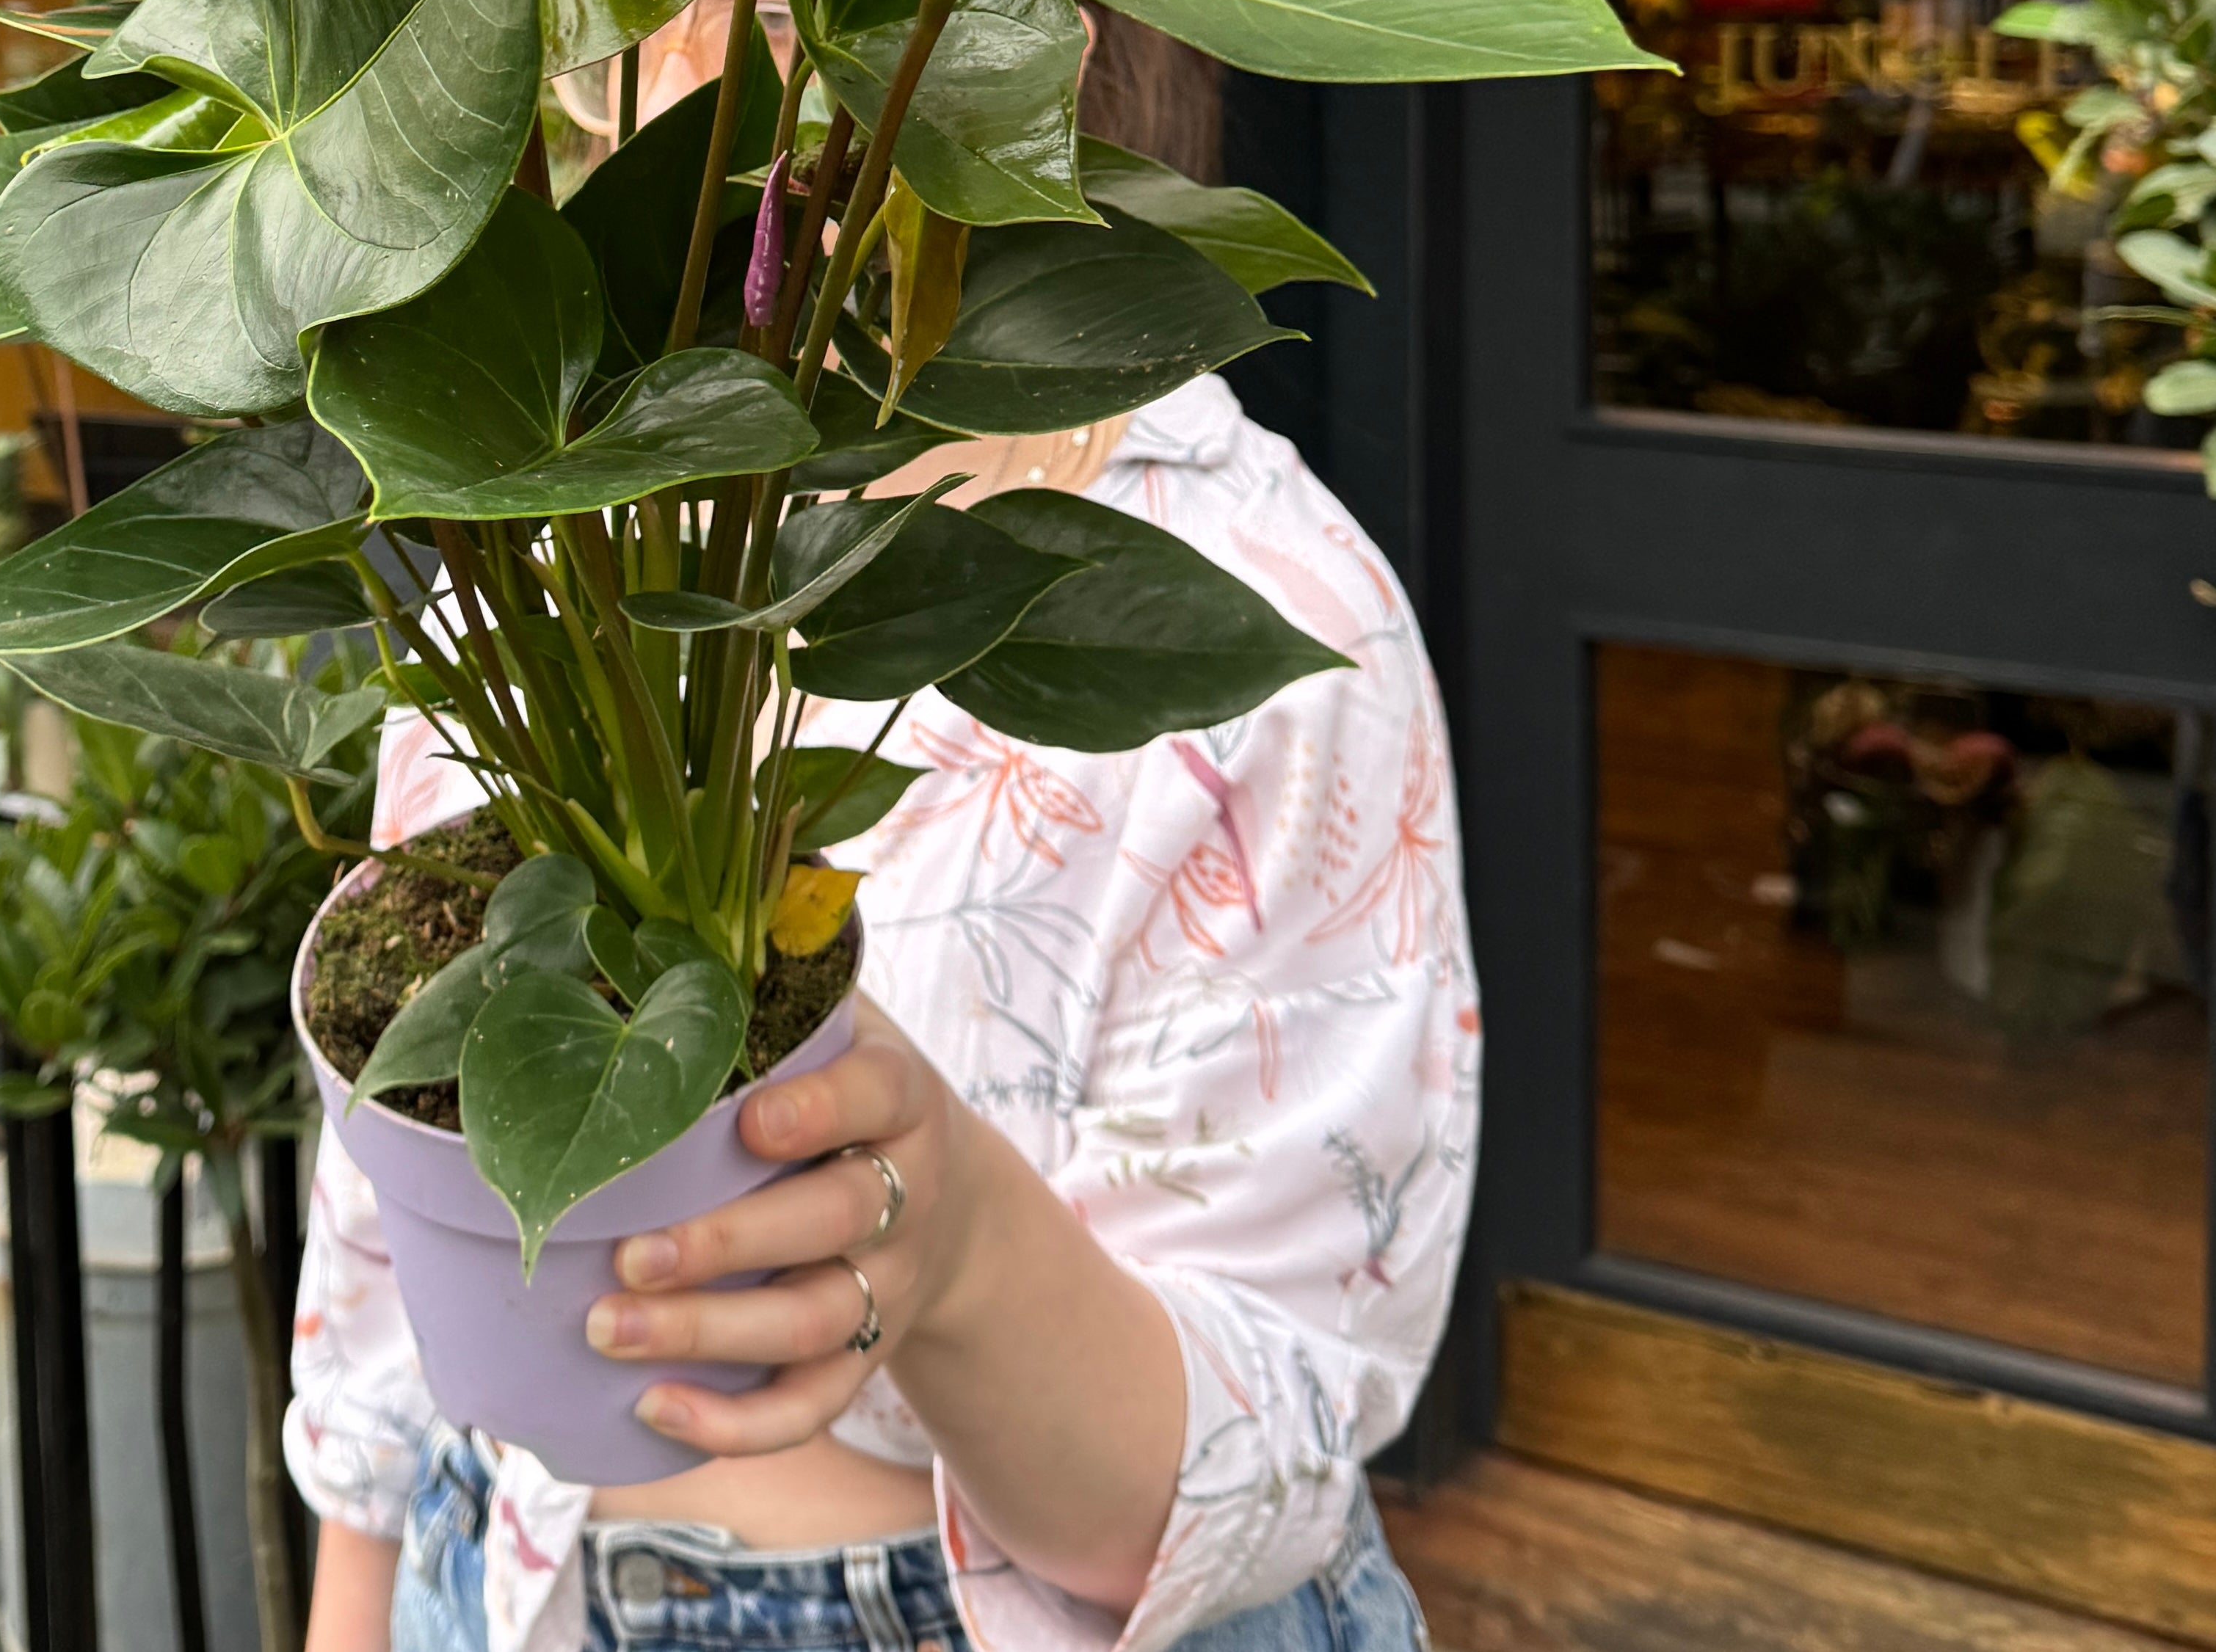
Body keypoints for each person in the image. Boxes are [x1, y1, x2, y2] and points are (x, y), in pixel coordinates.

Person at [287, 369, 1475, 1652]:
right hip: (494, 1582)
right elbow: (387, 1215)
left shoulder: (1264, 601)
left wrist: (953, 1237)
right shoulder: (533, 529)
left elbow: (1240, 1479)